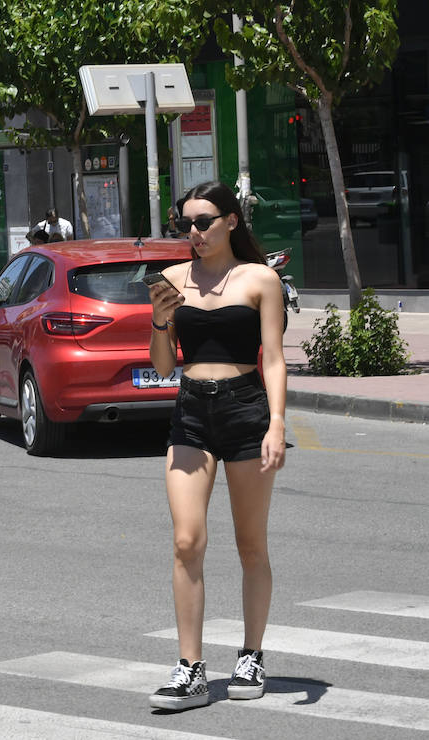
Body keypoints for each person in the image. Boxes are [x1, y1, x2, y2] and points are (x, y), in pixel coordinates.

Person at [145, 180, 287, 711]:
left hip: (247, 408)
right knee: (186, 543)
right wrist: (161, 320)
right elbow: (162, 365)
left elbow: (272, 357)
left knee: (251, 544)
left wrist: (276, 424)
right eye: (185, 224)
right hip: (191, 409)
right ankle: (191, 670)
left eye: (203, 222)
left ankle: (251, 653)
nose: (193, 233)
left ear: (231, 222)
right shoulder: (171, 278)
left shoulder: (259, 279)